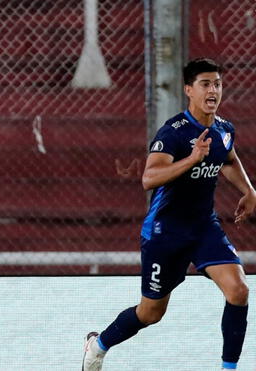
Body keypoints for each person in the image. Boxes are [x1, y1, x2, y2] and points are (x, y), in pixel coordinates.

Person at [82, 58, 254, 371]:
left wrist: (250, 191)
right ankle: (99, 344)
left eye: (217, 83)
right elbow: (149, 178)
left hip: (204, 228)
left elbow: (228, 159)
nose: (212, 90)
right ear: (189, 90)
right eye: (205, 84)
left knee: (239, 290)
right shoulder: (174, 133)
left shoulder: (224, 130)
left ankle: (229, 368)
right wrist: (191, 159)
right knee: (151, 313)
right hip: (165, 233)